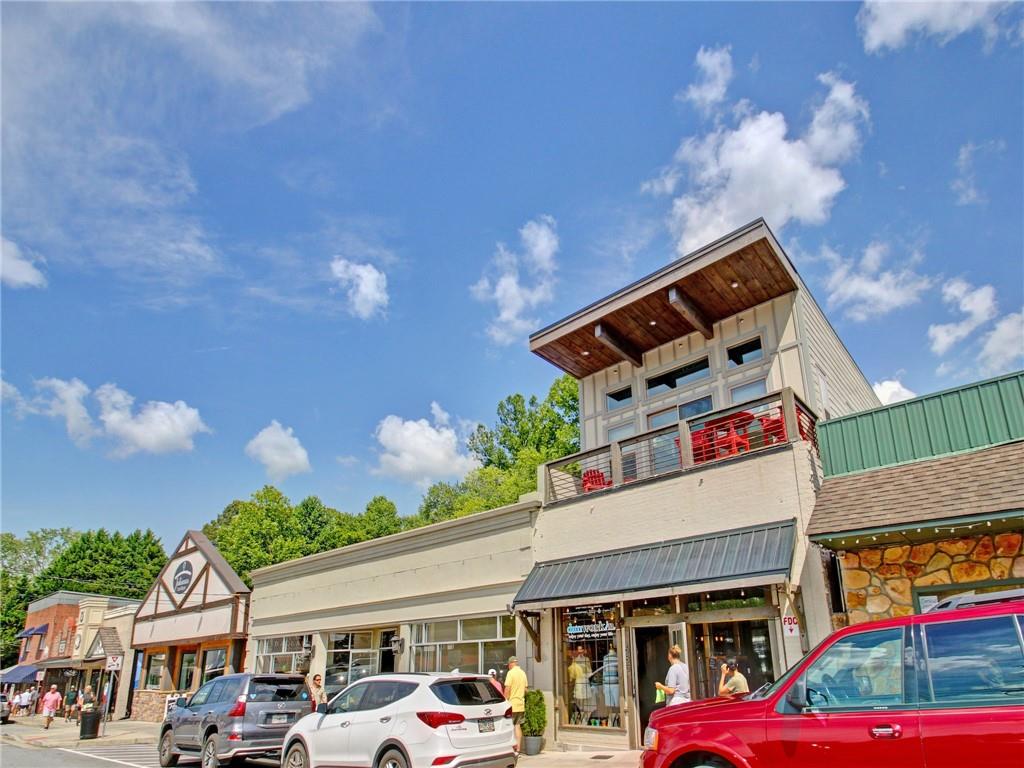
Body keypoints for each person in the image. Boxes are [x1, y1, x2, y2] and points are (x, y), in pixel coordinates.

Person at [503, 656, 528, 755]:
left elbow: (507, 689)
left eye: (508, 665)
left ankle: (510, 749)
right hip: (520, 704)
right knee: (517, 726)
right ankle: (518, 749)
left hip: (511, 705)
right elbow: (526, 690)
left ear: (510, 664)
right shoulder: (523, 673)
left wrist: (504, 701)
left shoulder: (510, 673)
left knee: (509, 727)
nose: (508, 667)